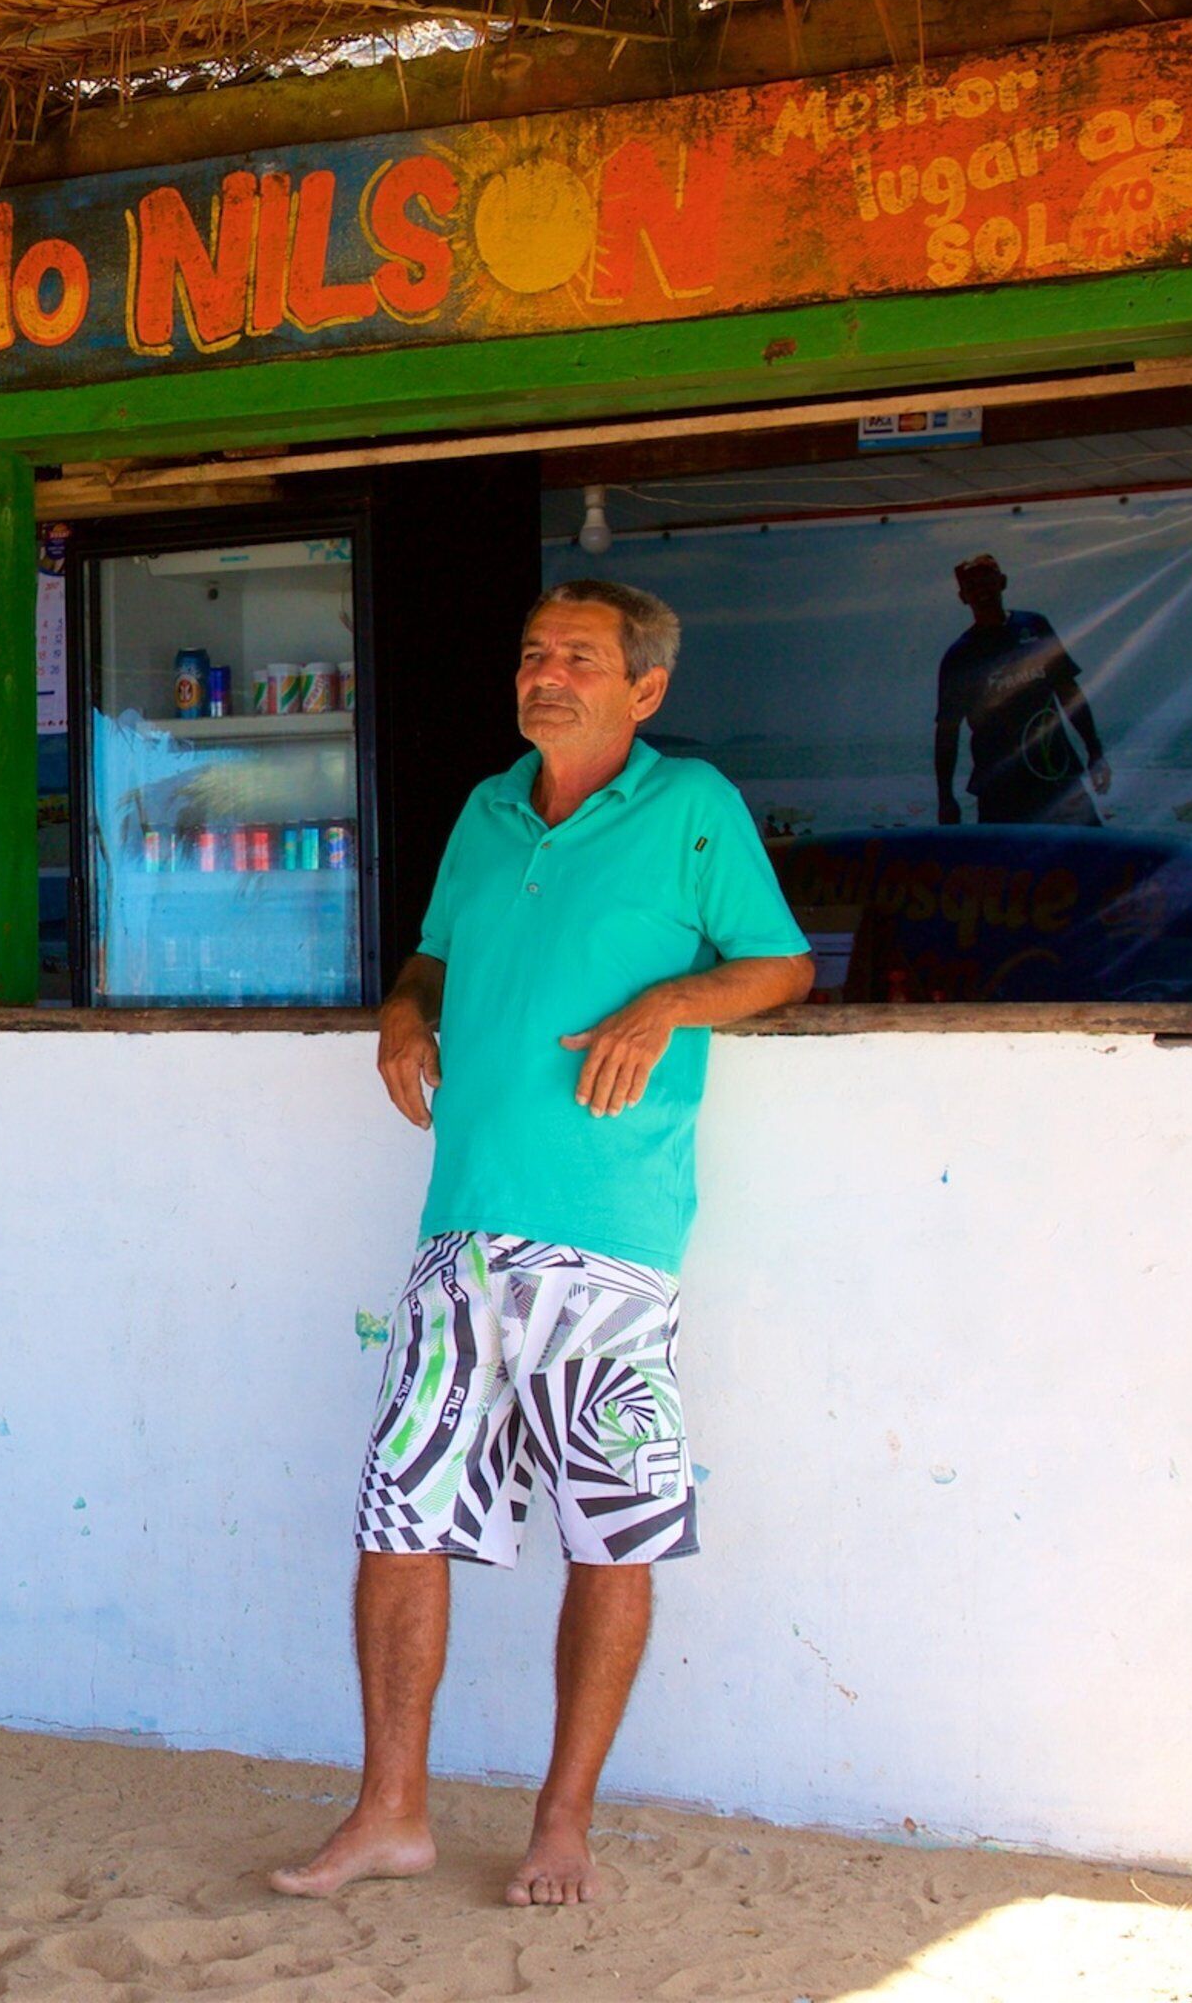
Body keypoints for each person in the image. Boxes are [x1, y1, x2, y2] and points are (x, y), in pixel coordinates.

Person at [271, 581, 816, 1909]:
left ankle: (561, 1824)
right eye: (532, 653)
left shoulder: (692, 808)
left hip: (609, 1239)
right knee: (398, 1516)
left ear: (646, 689)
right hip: (460, 1230)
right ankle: (390, 1812)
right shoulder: (486, 808)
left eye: (578, 656)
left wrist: (668, 1003)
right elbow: (434, 958)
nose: (545, 674)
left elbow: (783, 965)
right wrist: (402, 1013)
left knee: (610, 1534)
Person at [932, 553, 1110, 825]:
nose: (981, 592)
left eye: (987, 582)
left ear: (1002, 582)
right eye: (972, 587)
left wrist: (1095, 752)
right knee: (1008, 854)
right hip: (1000, 787)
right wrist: (945, 798)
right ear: (963, 597)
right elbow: (947, 732)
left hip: (1057, 772)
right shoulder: (959, 656)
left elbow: (1068, 692)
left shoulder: (1035, 626)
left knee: (1088, 848)